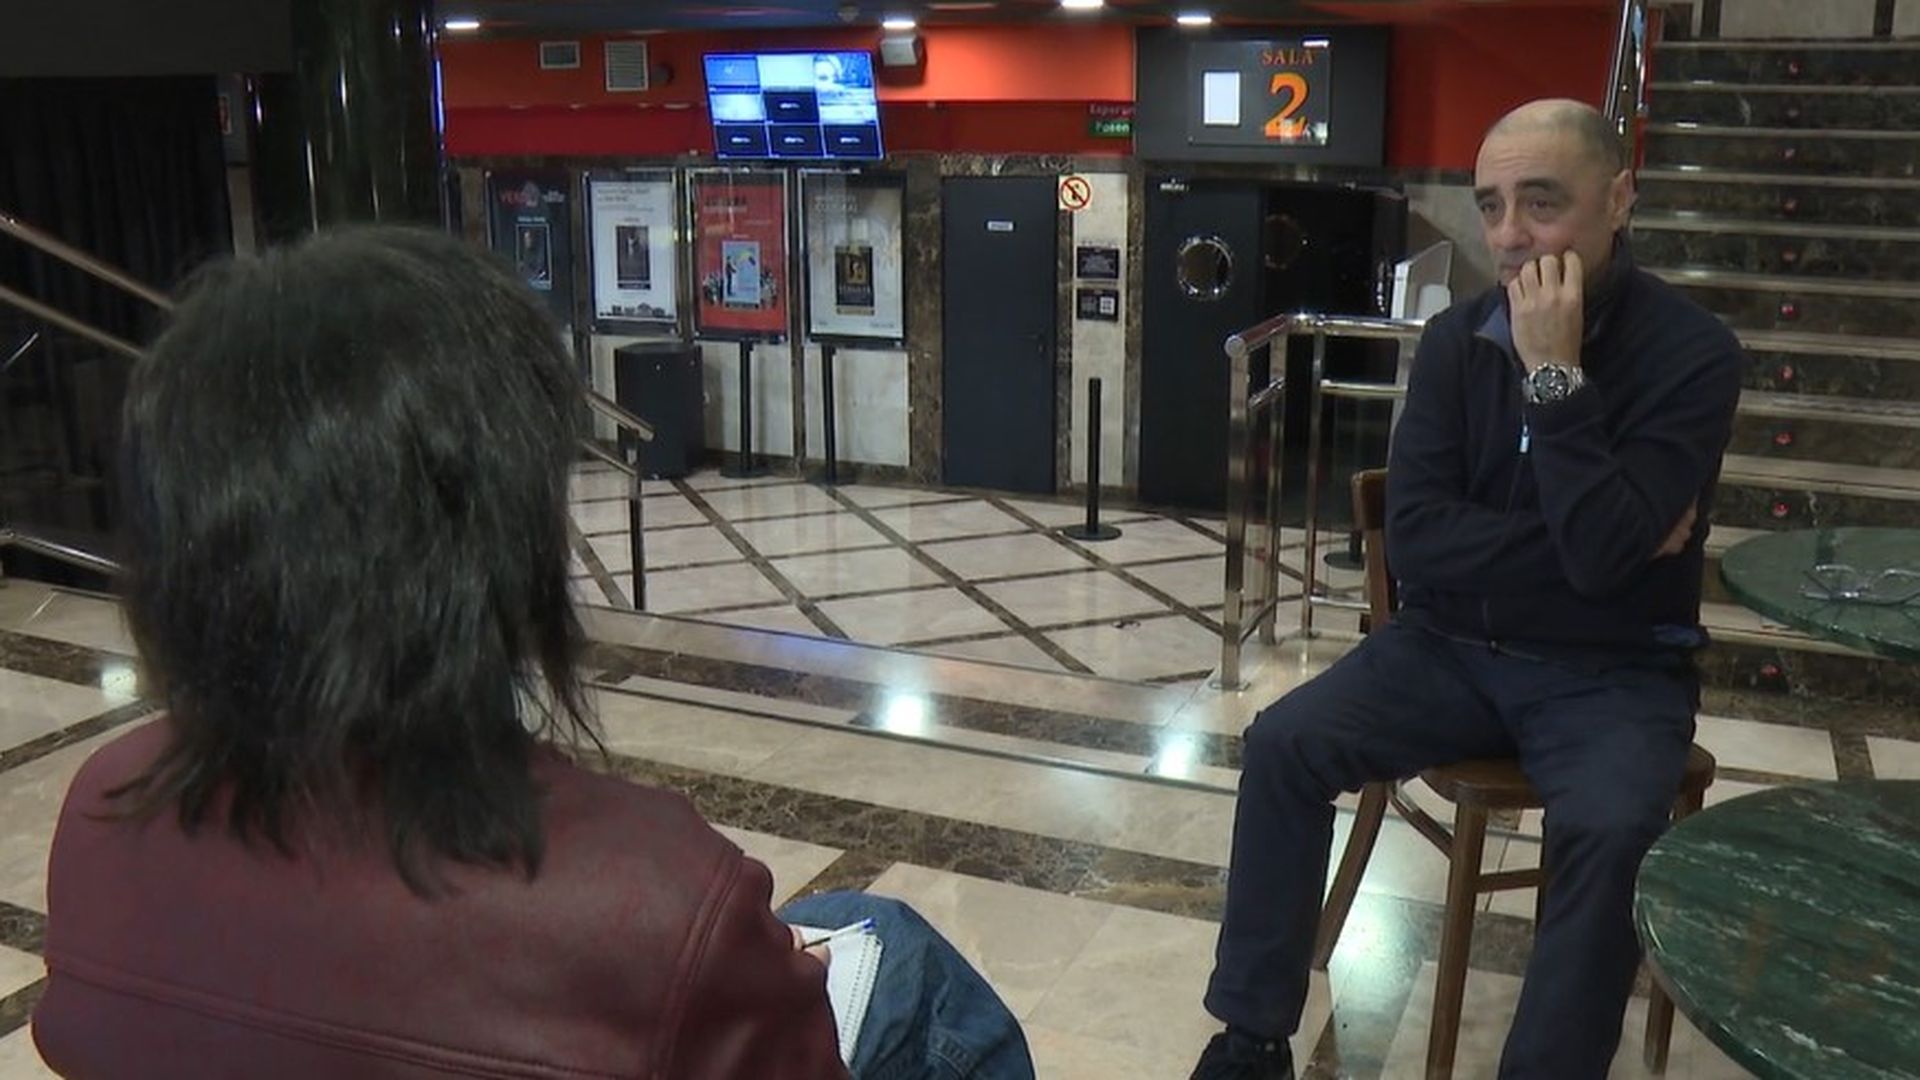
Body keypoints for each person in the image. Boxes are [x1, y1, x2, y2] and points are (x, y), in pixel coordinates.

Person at [31, 226, 1034, 1080]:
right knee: (914, 969)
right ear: (490, 536)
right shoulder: (656, 901)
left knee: (857, 914)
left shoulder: (105, 805)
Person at [1190, 99, 1745, 1080]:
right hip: (1447, 648)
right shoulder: (1455, 340)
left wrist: (1555, 377)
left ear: (1619, 199)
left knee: (1612, 829)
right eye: (1492, 206)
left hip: (1613, 672)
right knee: (1283, 744)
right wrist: (1597, 542)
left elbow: (1602, 561)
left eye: (1542, 202)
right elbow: (1419, 540)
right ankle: (1250, 1038)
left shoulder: (1692, 356)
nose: (1510, 235)